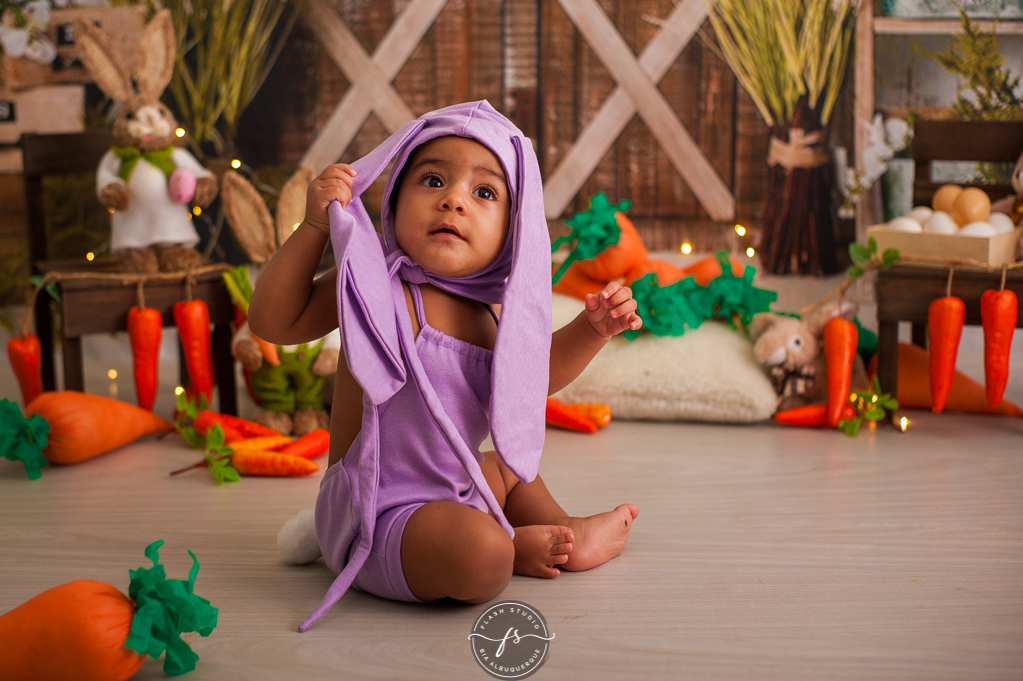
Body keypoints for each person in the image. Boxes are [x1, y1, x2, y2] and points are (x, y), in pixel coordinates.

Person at [249, 102, 642, 631]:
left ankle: (565, 529)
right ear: (394, 200)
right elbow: (275, 320)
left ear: (512, 230)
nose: (454, 199)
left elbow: (531, 383)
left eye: (484, 193)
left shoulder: (495, 313)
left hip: (457, 488)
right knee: (481, 556)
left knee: (508, 466)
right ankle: (508, 547)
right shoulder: (375, 283)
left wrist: (591, 331)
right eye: (432, 180)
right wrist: (314, 227)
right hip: (382, 514)